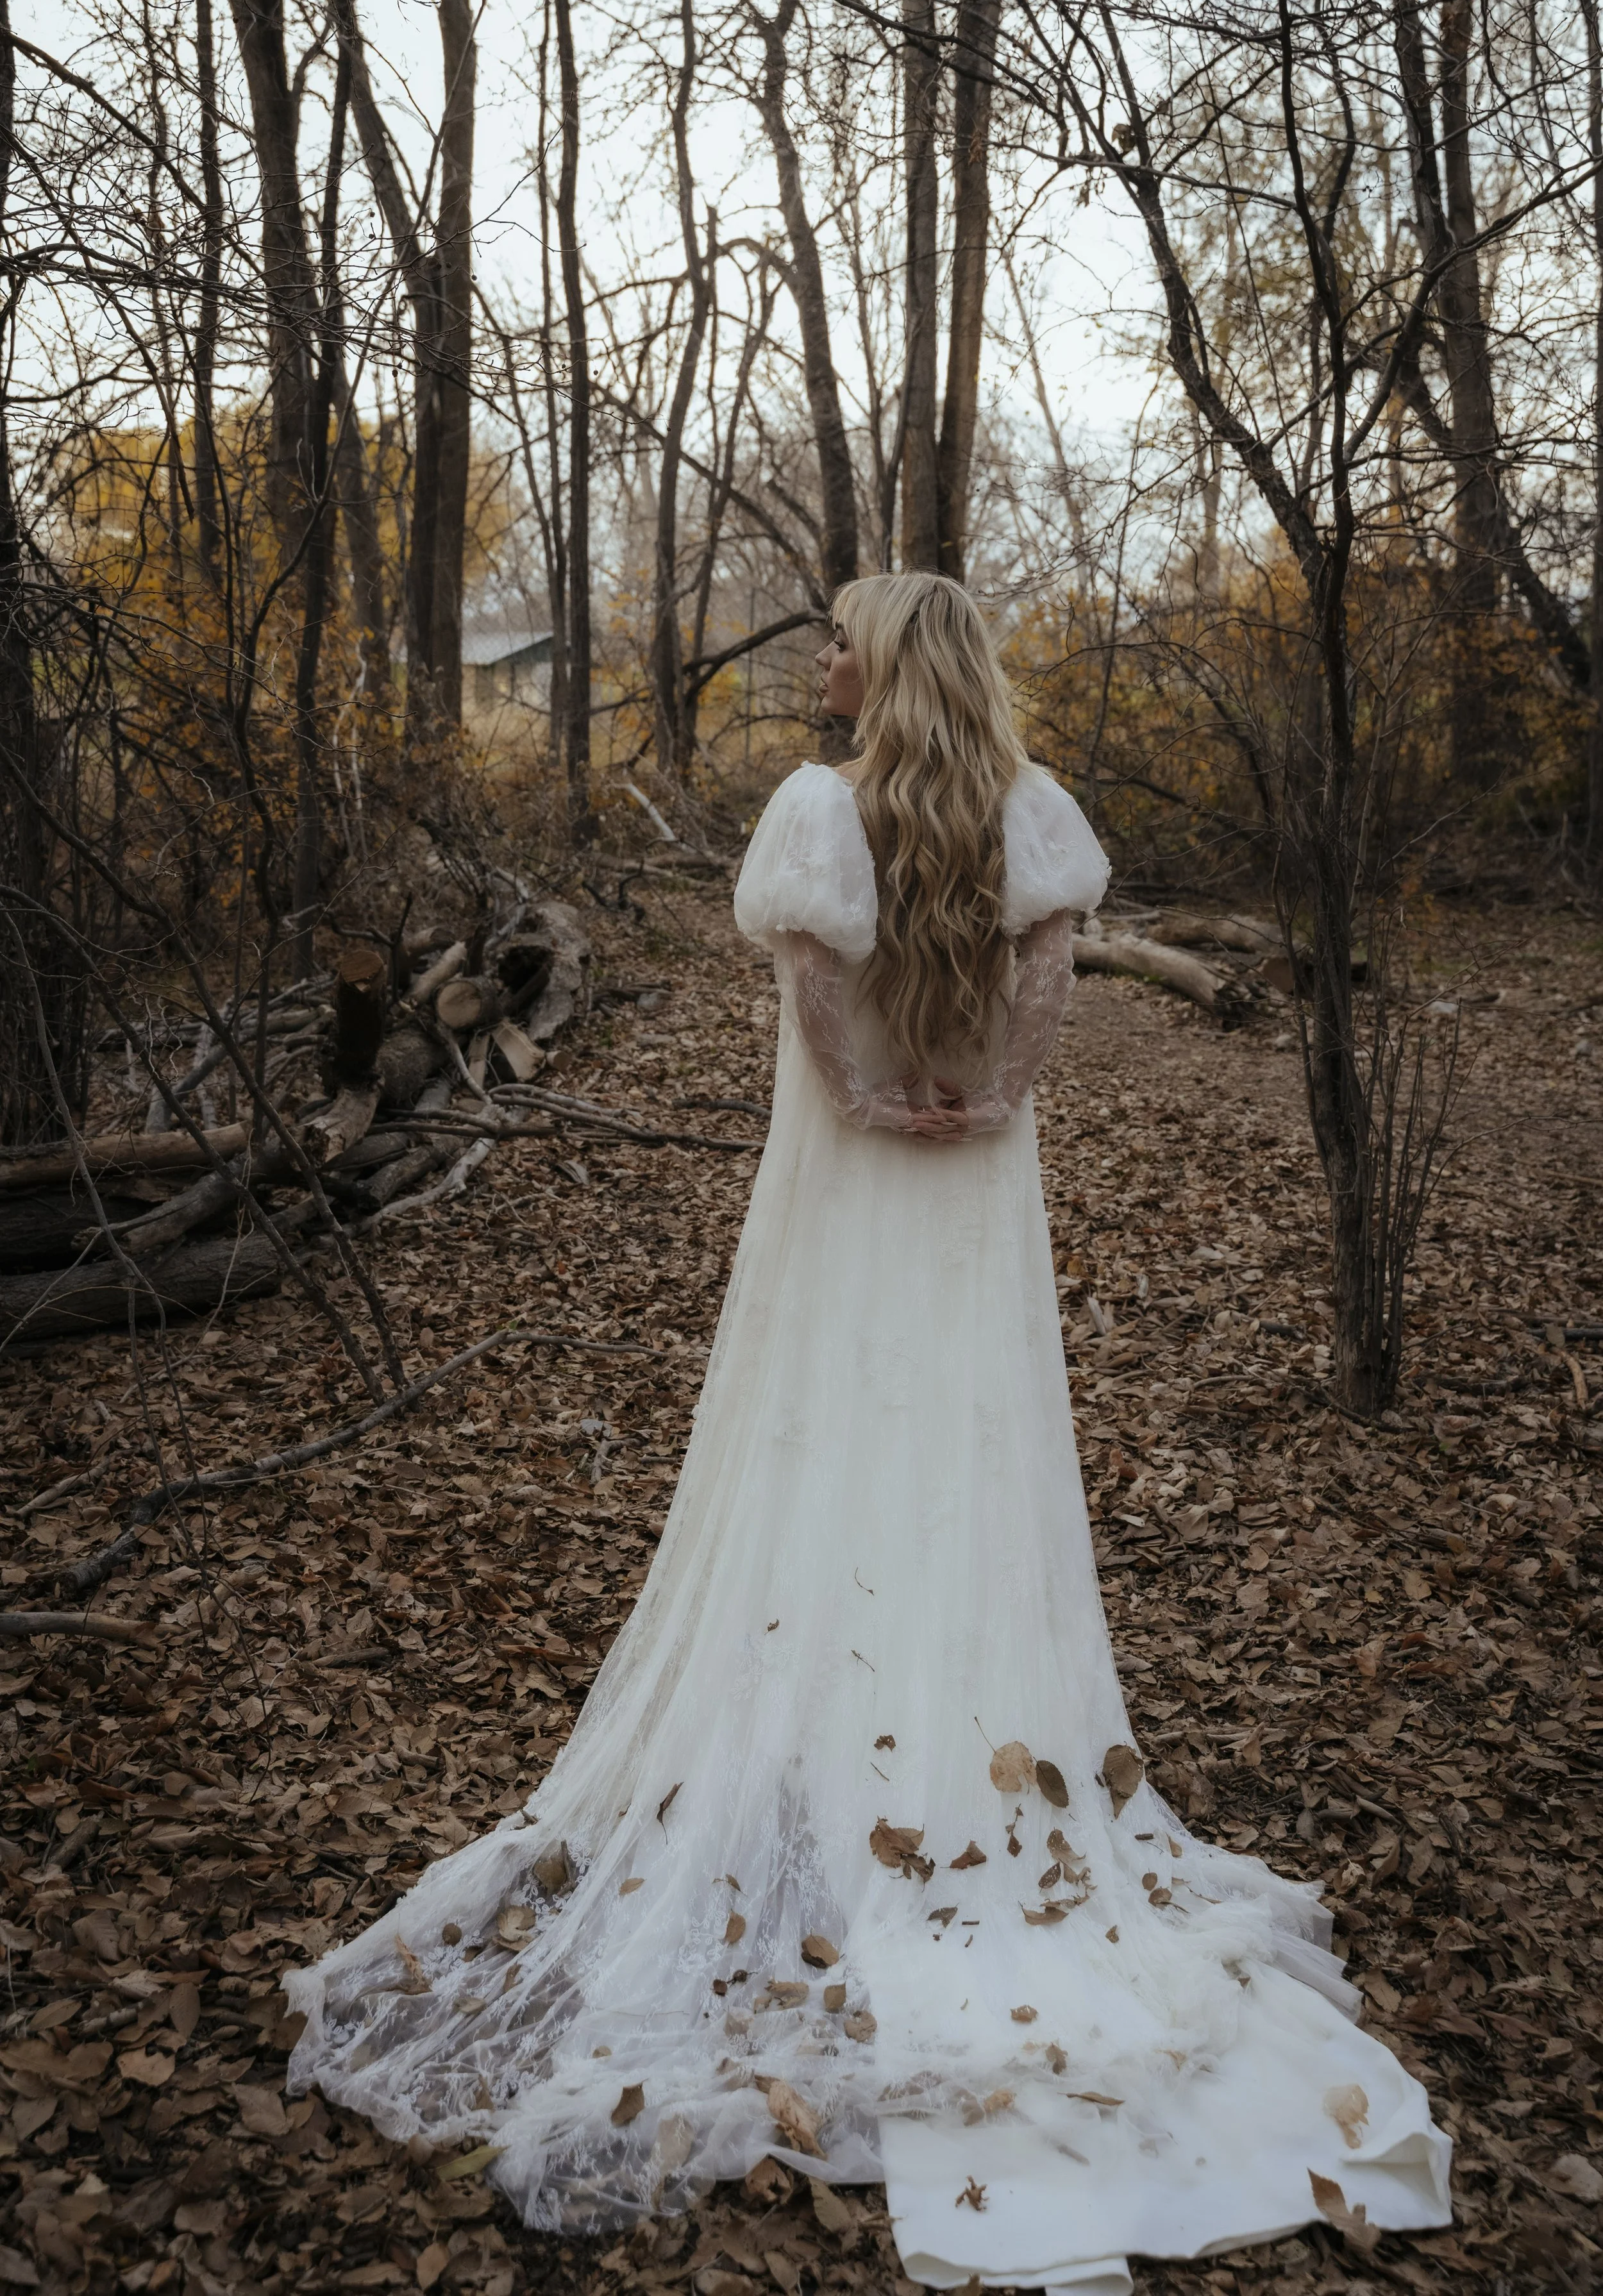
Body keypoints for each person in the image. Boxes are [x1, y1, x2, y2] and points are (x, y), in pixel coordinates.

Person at [285, 574, 1451, 2291]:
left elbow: (830, 1001)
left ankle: (873, 1729)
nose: (819, 659)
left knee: (849, 1426)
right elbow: (1043, 972)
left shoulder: (821, 813)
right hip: (970, 1180)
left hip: (854, 1186)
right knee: (948, 1436)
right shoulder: (1019, 812)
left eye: (837, 635)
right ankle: (906, 1720)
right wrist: (982, 1098)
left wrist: (870, 1100)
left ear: (890, 663)